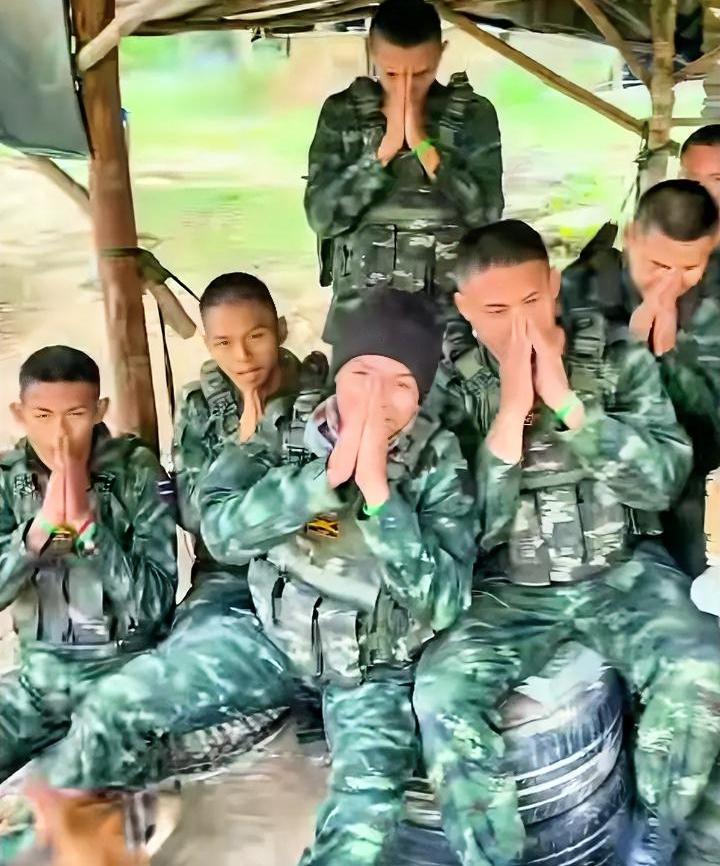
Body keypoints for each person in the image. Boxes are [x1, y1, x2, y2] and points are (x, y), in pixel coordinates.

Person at [414, 221, 720, 866]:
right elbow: (465, 526)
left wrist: (570, 407)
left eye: (531, 301)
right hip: (512, 590)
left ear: (554, 286)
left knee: (701, 665)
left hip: (621, 572)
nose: (517, 325)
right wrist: (509, 417)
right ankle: (489, 855)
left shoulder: (616, 358)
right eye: (495, 311)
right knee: (440, 692)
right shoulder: (456, 386)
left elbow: (663, 481)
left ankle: (657, 832)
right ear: (465, 308)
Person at [197, 287, 475, 866]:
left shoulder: (438, 458)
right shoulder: (286, 426)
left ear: (423, 392)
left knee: (361, 832)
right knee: (125, 703)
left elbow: (445, 603)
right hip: (276, 643)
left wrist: (379, 496)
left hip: (371, 671)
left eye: (401, 383)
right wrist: (320, 481)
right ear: (336, 377)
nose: (376, 399)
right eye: (361, 375)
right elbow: (220, 535)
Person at [32, 274, 328, 792]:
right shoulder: (203, 407)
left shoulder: (324, 403)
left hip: (308, 574)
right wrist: (248, 451)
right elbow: (194, 516)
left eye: (256, 336)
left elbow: (331, 517)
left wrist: (244, 509)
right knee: (182, 662)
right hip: (227, 580)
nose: (242, 356)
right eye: (223, 342)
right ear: (208, 344)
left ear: (280, 330)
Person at [0, 346, 177, 858]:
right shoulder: (7, 480)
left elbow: (156, 603)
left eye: (75, 415)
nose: (60, 434)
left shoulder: (136, 471)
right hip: (39, 682)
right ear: (18, 413)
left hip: (120, 680)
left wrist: (90, 531)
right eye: (43, 416)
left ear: (100, 410)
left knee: (62, 825)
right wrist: (34, 537)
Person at [304, 0, 503, 356]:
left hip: (448, 325)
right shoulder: (342, 114)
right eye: (392, 73)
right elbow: (322, 217)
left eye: (421, 73)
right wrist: (380, 155)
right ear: (371, 51)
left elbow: (487, 217)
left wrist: (426, 149)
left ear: (441, 53)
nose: (407, 89)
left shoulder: (473, 115)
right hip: (361, 320)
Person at [561, 179, 720, 577]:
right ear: (631, 237)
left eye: (690, 268)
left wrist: (670, 358)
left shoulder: (713, 306)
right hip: (605, 470)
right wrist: (632, 352)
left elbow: (712, 428)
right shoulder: (580, 290)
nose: (671, 283)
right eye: (658, 266)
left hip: (691, 474)